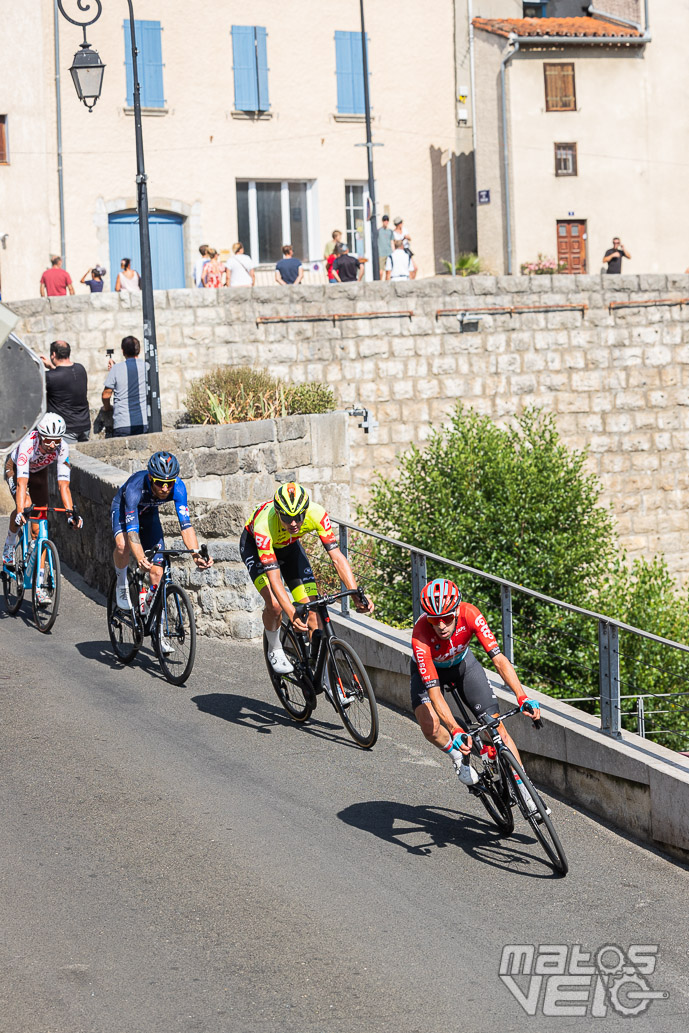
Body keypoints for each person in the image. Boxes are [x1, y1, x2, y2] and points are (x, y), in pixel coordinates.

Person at [411, 579, 541, 809]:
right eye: (434, 620)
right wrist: (455, 730)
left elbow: (499, 660)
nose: (441, 626)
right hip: (432, 673)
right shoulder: (420, 636)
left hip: (463, 666)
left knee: (496, 725)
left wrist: (522, 696)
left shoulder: (470, 614)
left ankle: (523, 787)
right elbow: (434, 693)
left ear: (457, 611)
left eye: (447, 619)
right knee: (429, 725)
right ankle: (457, 756)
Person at [240, 481, 374, 674]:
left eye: (298, 517)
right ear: (278, 513)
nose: (293, 523)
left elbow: (337, 557)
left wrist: (355, 595)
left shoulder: (317, 513)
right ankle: (275, 647)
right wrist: (291, 613)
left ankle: (323, 676)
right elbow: (275, 579)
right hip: (255, 547)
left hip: (289, 548)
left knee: (313, 612)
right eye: (286, 517)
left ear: (306, 510)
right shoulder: (264, 524)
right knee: (276, 606)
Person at [110, 451, 213, 617]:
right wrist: (141, 559)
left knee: (157, 571)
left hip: (149, 514)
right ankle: (121, 584)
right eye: (159, 483)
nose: (165, 488)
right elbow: (132, 532)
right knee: (123, 546)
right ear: (151, 478)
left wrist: (195, 555)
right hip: (124, 510)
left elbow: (186, 526)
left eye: (169, 483)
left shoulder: (178, 488)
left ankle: (155, 619)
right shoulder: (134, 488)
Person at [2, 413, 83, 600]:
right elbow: (22, 484)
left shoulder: (62, 448)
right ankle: (9, 545)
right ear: (39, 435)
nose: (53, 445)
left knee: (40, 528)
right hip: (16, 469)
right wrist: (20, 511)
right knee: (26, 504)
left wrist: (71, 513)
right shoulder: (27, 445)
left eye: (56, 440)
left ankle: (38, 586)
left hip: (38, 473)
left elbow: (64, 485)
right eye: (48, 440)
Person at [39, 340, 90, 444]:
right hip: (84, 425)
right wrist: (52, 367)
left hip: (66, 429)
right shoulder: (80, 369)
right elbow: (64, 375)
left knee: (68, 459)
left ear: (53, 354)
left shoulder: (49, 377)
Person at [102, 335, 147, 438]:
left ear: (123, 351)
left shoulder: (116, 369)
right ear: (139, 350)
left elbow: (106, 395)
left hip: (122, 423)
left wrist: (107, 408)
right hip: (143, 421)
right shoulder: (146, 366)